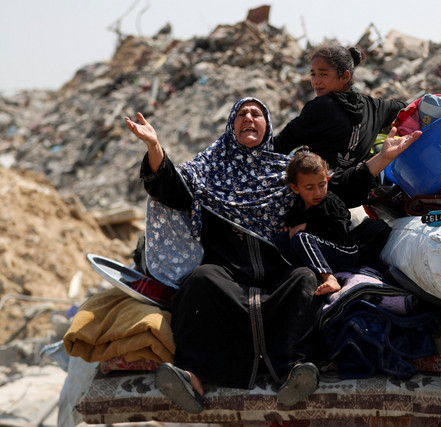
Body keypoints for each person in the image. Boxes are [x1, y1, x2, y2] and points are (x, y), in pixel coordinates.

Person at [124, 98, 325, 413]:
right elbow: (171, 188)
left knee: (304, 279)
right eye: (242, 113)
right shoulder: (208, 166)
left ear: (267, 125)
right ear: (231, 124)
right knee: (199, 281)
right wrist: (154, 147)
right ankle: (193, 377)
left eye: (256, 113)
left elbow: (322, 196)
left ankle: (291, 371)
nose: (249, 117)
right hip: (226, 276)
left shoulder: (286, 172)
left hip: (275, 276)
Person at [273, 44, 422, 207]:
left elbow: (279, 146)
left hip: (320, 195)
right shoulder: (374, 107)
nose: (316, 81)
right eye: (313, 74)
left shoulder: (321, 106)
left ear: (345, 76)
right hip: (354, 195)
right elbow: (414, 106)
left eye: (323, 74)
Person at [275, 147, 359, 296]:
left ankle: (330, 279)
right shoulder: (297, 207)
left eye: (322, 185)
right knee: (282, 239)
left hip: (345, 254)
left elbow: (340, 229)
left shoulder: (331, 202)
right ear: (295, 188)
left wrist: (308, 226)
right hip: (319, 255)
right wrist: (287, 230)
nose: (318, 192)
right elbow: (292, 227)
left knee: (302, 238)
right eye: (309, 188)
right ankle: (300, 276)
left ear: (327, 179)